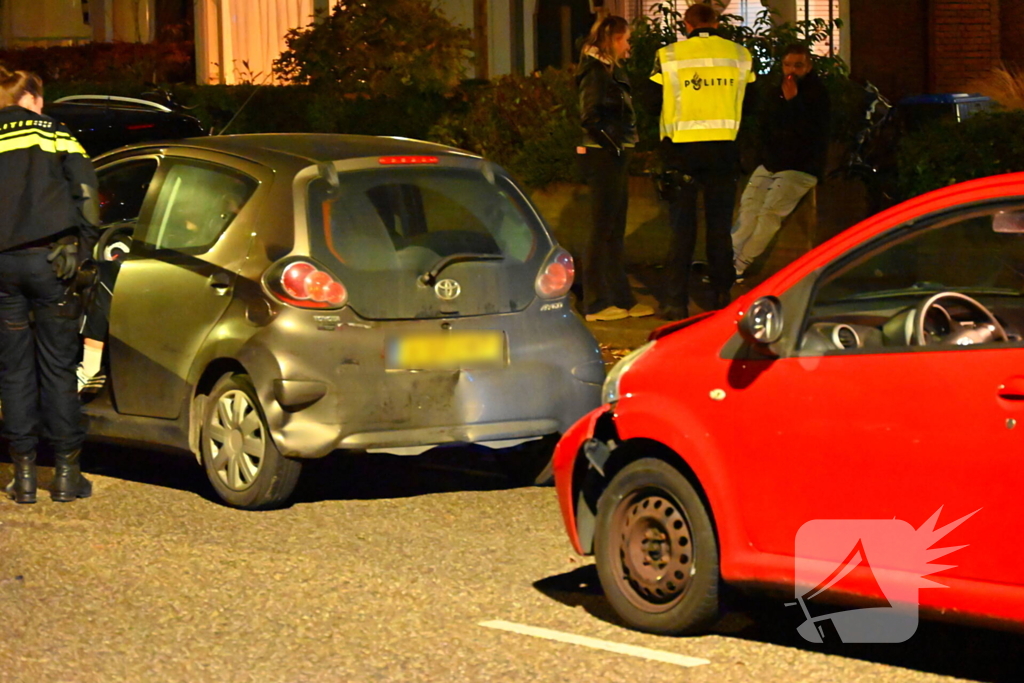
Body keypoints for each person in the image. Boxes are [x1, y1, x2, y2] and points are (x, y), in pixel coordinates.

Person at [0, 69, 99, 503]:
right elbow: (86, 192)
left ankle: (22, 476)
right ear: (31, 97)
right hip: (51, 263)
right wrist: (83, 247)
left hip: (3, 267)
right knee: (58, 368)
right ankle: (65, 474)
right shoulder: (56, 133)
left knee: (14, 370)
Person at [650, 3, 755, 320]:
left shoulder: (668, 55)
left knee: (682, 230)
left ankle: (674, 302)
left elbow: (651, 100)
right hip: (723, 151)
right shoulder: (740, 55)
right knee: (720, 228)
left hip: (682, 152)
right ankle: (721, 297)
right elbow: (752, 106)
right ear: (717, 23)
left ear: (687, 24)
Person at [576, 15, 654, 322]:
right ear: (613, 39)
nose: (629, 45)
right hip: (603, 155)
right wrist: (615, 146)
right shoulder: (595, 71)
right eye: (626, 39)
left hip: (612, 153)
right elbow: (589, 116)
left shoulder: (608, 69)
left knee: (613, 229)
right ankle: (596, 303)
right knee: (602, 228)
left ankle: (620, 298)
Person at [731, 43, 830, 281]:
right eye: (788, 64)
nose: (792, 70)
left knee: (769, 214)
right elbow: (765, 127)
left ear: (808, 66)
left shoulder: (817, 93)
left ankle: (739, 265)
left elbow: (810, 132)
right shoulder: (776, 90)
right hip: (771, 163)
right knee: (748, 209)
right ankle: (727, 260)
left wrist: (793, 102)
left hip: (799, 167)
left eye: (798, 65)